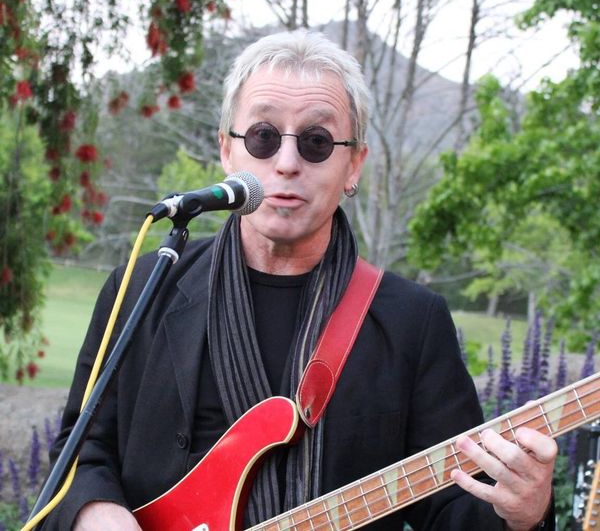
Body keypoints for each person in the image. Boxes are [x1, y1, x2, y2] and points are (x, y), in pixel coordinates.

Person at [40, 29, 557, 530]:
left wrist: (524, 514)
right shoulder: (142, 288)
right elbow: (80, 453)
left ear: (353, 165)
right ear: (227, 150)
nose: (286, 163)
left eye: (316, 141)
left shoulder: (411, 322)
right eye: (263, 137)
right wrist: (97, 514)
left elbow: (456, 508)